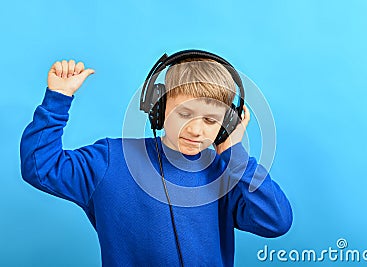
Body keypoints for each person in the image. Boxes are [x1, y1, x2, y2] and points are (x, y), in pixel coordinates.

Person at [20, 51, 293, 266]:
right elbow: (40, 167)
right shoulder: (109, 161)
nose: (196, 130)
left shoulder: (226, 173)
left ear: (227, 125)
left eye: (211, 120)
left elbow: (276, 221)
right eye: (184, 114)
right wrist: (58, 99)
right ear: (158, 108)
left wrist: (236, 157)